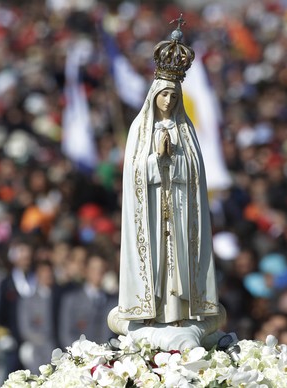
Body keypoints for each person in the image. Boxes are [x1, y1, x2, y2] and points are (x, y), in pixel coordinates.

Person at [117, 18, 219, 325]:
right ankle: (151, 314)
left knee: (178, 264)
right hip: (150, 207)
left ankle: (178, 315)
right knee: (156, 264)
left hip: (178, 207)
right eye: (164, 95)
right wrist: (155, 159)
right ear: (154, 95)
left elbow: (196, 173)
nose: (169, 100)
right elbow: (133, 173)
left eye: (174, 97)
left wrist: (174, 161)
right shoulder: (141, 127)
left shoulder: (186, 130)